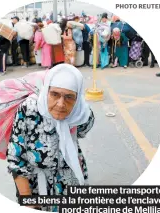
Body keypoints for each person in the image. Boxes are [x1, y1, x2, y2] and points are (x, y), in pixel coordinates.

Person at [7, 64, 95, 211]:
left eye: (69, 97)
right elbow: (15, 156)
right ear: (47, 90)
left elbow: (82, 131)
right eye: (55, 94)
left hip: (69, 179)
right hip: (36, 184)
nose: (61, 104)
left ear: (77, 98)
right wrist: (27, 200)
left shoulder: (81, 114)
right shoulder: (29, 109)